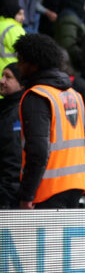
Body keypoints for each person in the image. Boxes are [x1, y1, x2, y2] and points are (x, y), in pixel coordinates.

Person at [15, 33, 85, 209]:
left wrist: (27, 194)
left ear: (34, 64)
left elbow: (38, 151)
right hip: (75, 186)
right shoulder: (74, 95)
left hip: (46, 192)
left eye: (21, 61)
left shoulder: (37, 96)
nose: (18, 66)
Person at [0, 63, 25, 207]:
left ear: (21, 85)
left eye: (8, 77)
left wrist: (6, 198)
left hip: (9, 195)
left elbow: (13, 159)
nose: (2, 80)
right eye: (2, 75)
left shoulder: (17, 112)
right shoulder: (7, 109)